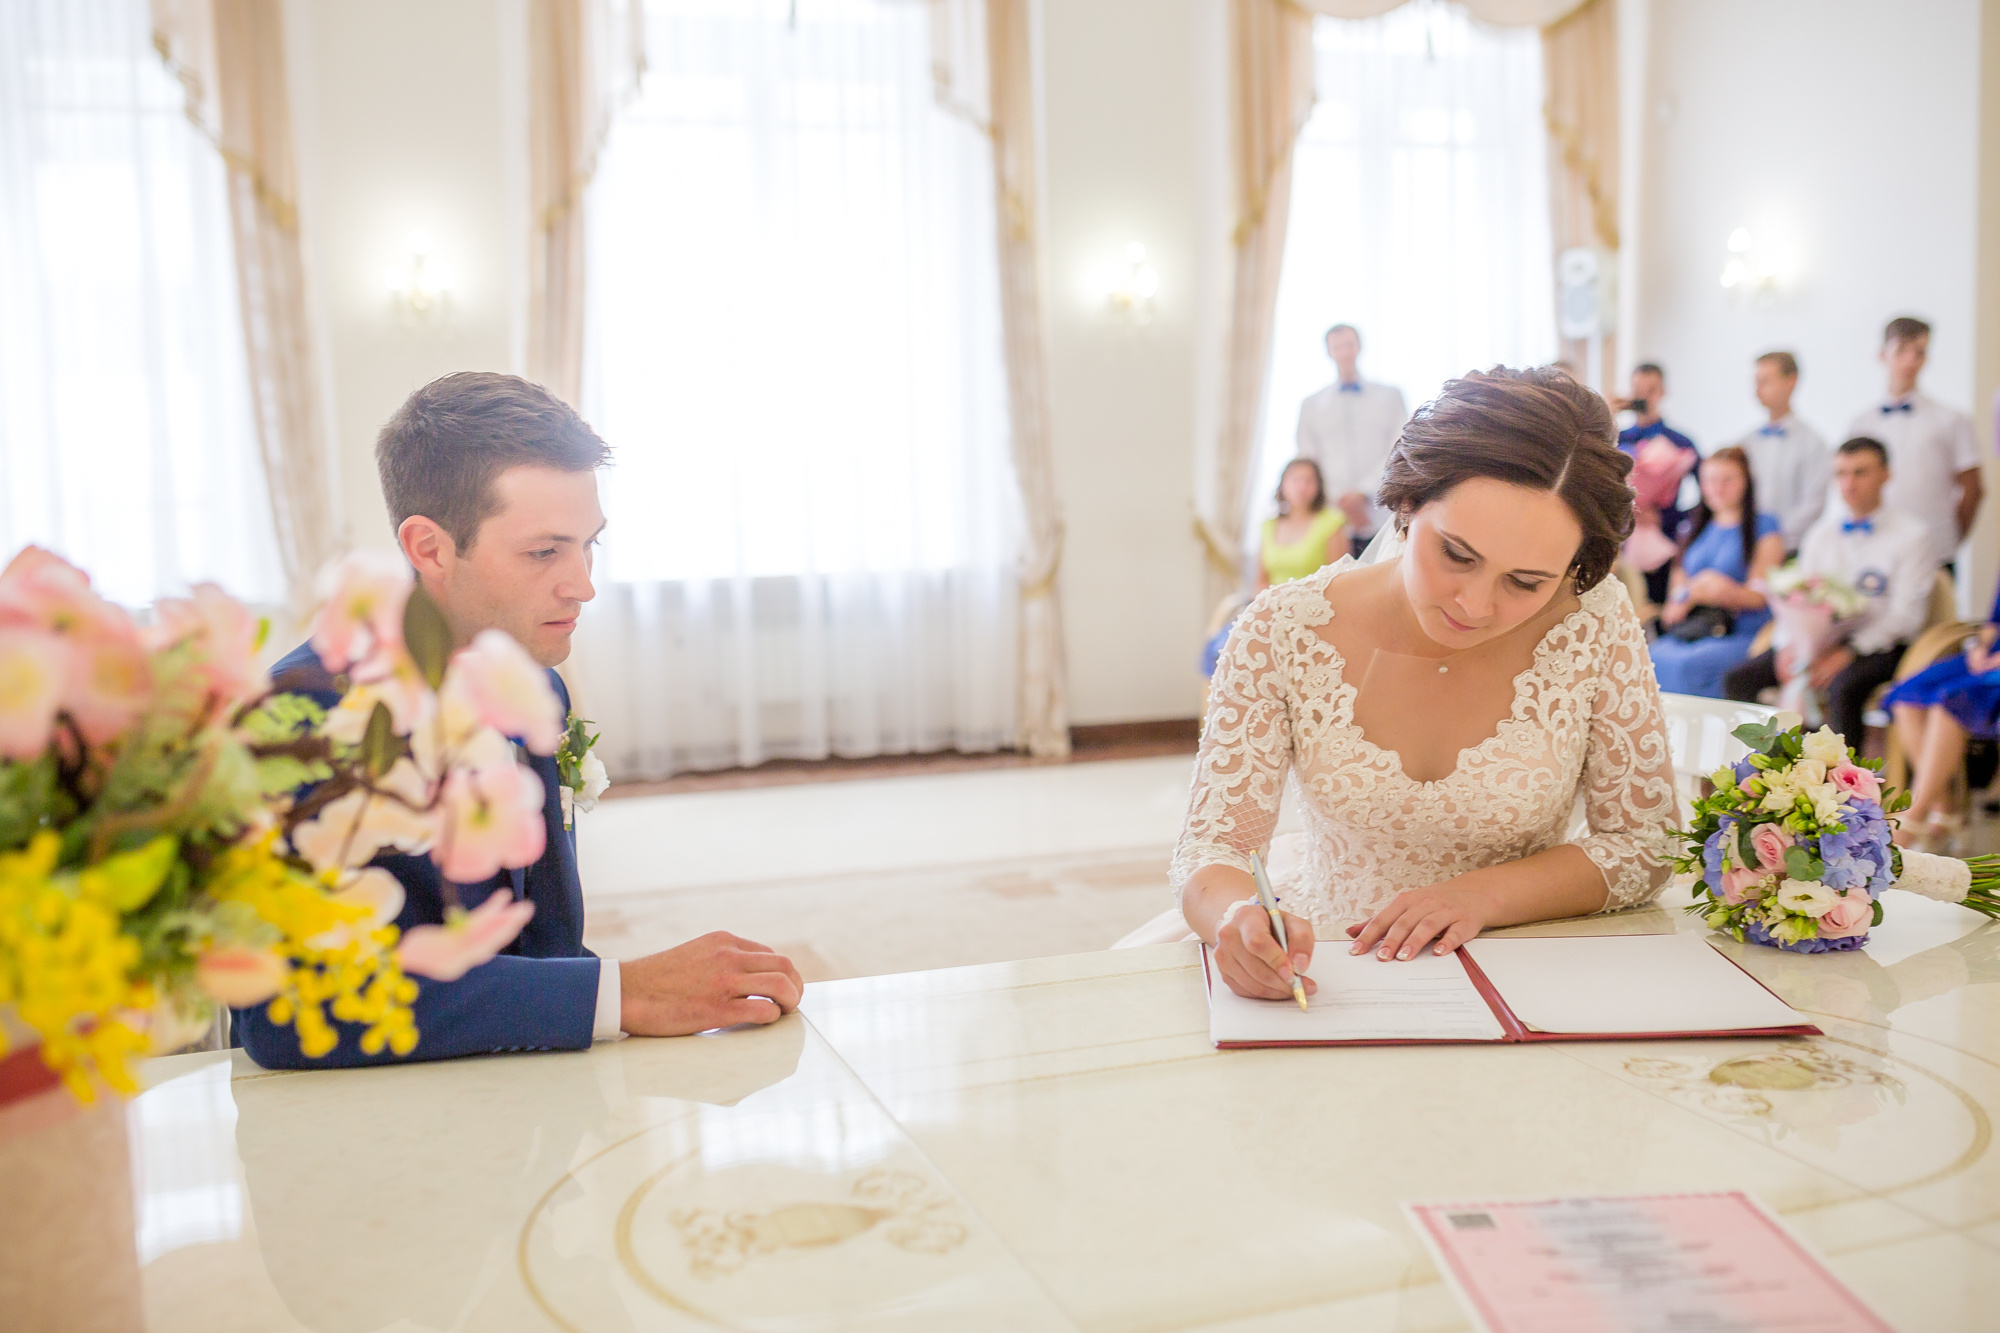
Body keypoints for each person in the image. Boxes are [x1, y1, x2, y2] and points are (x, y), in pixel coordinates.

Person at [237, 372, 803, 1068]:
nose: (583, 584)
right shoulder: (303, 717)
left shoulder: (536, 684)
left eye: (589, 544)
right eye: (544, 552)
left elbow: (543, 942)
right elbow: (282, 1011)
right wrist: (621, 993)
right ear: (429, 548)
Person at [1168, 367, 1677, 1000]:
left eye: (1526, 582)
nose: (1476, 605)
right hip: (1331, 966)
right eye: (1457, 555)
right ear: (1407, 504)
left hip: (1529, 969)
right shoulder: (1282, 626)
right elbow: (1214, 845)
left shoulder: (1593, 619)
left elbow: (1646, 844)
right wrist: (1235, 916)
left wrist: (1481, 896)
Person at [1722, 438, 1933, 747]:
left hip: (1881, 645)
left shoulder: (1913, 536)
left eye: (1860, 472)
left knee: (1843, 687)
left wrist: (1848, 653)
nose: (1849, 483)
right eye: (1841, 473)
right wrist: (1788, 646)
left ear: (1886, 475)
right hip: (1818, 641)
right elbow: (1796, 597)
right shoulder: (1821, 534)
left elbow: (1906, 616)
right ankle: (1767, 765)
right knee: (1739, 678)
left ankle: (1846, 776)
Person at [1847, 316, 1981, 570]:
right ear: (1882, 355)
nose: (1910, 361)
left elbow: (1973, 488)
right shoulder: (1861, 424)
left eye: (1918, 352)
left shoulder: (1951, 419)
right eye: (1901, 351)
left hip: (1935, 548)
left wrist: (1952, 537)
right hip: (1874, 548)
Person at [1650, 447, 1785, 699]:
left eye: (1727, 480)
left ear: (1746, 481)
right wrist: (1691, 594)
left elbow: (1759, 597)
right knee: (1651, 656)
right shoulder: (1693, 526)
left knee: (1691, 665)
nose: (1718, 488)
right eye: (1710, 480)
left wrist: (1715, 589)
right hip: (1694, 628)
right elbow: (1677, 590)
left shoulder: (1764, 526)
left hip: (1741, 631)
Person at [1883, 581, 2000, 848]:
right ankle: (1944, 806)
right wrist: (1979, 647)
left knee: (1951, 699)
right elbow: (1993, 622)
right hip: (1989, 657)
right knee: (1906, 695)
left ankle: (1914, 814)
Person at [1294, 323, 1408, 555]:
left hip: (1381, 512)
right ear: (1329, 352)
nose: (1344, 352)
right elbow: (1308, 458)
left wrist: (1363, 494)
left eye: (1349, 345)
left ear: (1359, 347)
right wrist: (1343, 501)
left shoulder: (1391, 396)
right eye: (1337, 347)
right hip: (1332, 517)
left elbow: (1400, 447)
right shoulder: (1311, 405)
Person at [1612, 362, 1700, 605]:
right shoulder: (1616, 438)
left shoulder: (1681, 442)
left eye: (1650, 390)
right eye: (1637, 390)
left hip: (1662, 543)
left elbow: (1708, 495)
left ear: (1663, 392)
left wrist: (1667, 517)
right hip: (1619, 542)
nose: (1643, 396)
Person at [1728, 351, 1828, 552]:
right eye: (1756, 383)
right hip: (1745, 547)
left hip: (1790, 549)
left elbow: (1813, 505)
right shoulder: (1746, 443)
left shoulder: (1813, 444)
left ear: (1790, 382)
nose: (1757, 391)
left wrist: (1774, 542)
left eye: (1765, 382)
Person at [1258, 458, 1346, 591]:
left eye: (1308, 481)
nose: (1301, 487)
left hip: (1316, 598)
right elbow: (1260, 581)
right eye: (1295, 480)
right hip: (1273, 600)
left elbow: (1339, 578)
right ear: (1283, 484)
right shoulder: (1268, 526)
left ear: (1318, 486)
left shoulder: (1331, 522)